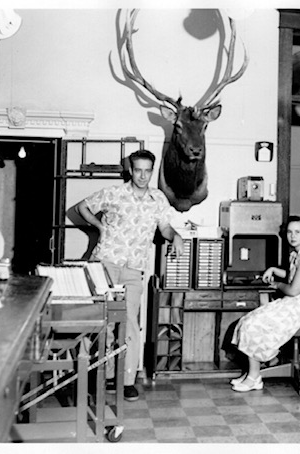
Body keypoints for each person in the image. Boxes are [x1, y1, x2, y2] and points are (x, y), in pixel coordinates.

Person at [76, 149, 183, 401]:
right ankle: (104, 376)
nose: (143, 175)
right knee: (105, 323)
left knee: (130, 324)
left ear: (152, 171)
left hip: (134, 269)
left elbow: (165, 227)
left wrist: (176, 236)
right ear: (131, 171)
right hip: (106, 264)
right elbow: (82, 207)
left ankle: (126, 380)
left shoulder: (158, 199)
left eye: (148, 171)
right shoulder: (114, 193)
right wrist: (100, 226)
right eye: (138, 170)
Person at [230, 216, 300, 392]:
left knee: (255, 323)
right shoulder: (298, 254)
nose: (292, 236)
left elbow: (294, 289)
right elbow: (292, 276)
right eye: (289, 232)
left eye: (297, 232)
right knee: (249, 319)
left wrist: (277, 284)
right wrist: (273, 270)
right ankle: (252, 371)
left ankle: (254, 377)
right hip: (295, 304)